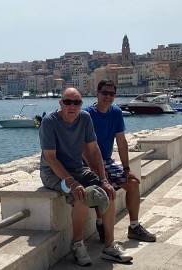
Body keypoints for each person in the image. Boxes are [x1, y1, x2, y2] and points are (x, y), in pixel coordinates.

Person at [39, 87, 133, 266]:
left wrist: (104, 180)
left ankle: (109, 246)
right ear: (60, 103)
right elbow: (50, 158)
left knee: (109, 192)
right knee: (82, 195)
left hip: (77, 168)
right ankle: (77, 244)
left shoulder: (84, 118)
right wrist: (72, 182)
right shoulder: (49, 121)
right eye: (67, 102)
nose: (72, 106)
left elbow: (94, 149)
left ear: (81, 104)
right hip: (53, 173)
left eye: (76, 102)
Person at [83, 79, 157, 243]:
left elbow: (121, 142)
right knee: (103, 188)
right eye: (105, 93)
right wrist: (95, 167)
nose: (108, 97)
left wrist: (126, 169)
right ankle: (101, 224)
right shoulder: (86, 114)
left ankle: (134, 227)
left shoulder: (115, 113)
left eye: (112, 94)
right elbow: (81, 145)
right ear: (97, 93)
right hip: (87, 162)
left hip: (107, 160)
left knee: (133, 183)